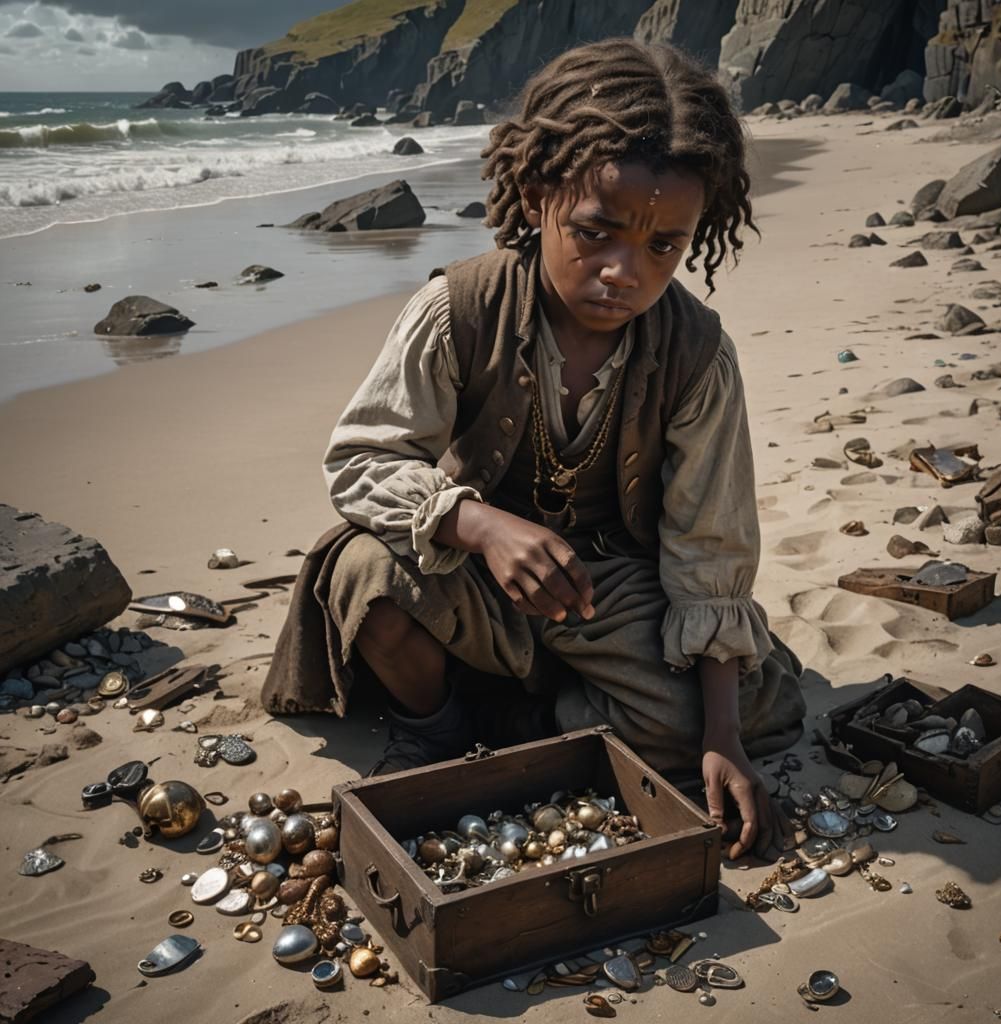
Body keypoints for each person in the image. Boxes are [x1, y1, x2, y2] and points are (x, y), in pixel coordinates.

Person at [262, 38, 806, 860]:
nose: (626, 271)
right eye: (598, 231)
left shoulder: (696, 352)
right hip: (469, 572)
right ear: (536, 193)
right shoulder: (460, 307)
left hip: (612, 590)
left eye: (664, 245)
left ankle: (525, 718)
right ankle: (436, 728)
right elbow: (362, 460)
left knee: (734, 715)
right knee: (364, 578)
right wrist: (479, 525)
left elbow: (710, 546)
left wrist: (723, 736)